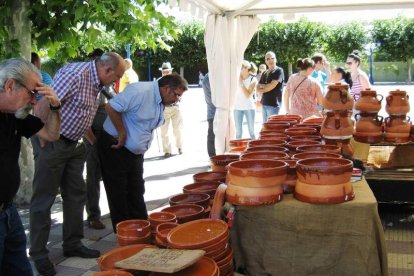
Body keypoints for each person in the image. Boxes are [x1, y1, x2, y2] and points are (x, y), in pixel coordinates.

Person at [29, 52, 126, 276]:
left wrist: (91, 143)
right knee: (44, 198)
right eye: (117, 76)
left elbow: (82, 112)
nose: (116, 81)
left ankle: (72, 243)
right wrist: (42, 135)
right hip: (53, 141)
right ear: (107, 70)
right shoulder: (75, 74)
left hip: (74, 143)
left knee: (76, 194)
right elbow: (44, 104)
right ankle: (38, 253)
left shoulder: (96, 81)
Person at [97, 73, 188, 232]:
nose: (177, 100)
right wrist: (122, 132)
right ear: (167, 89)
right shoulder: (139, 91)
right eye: (177, 95)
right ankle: (125, 234)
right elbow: (110, 106)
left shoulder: (161, 100)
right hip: (115, 146)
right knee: (118, 193)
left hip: (134, 152)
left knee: (136, 190)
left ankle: (141, 230)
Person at [0, 58, 61, 275]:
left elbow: (51, 135)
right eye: (32, 93)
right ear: (9, 85)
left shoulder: (16, 115)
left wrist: (55, 106)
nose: (35, 102)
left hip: (8, 212)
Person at [84, 50, 117, 230]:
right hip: (94, 136)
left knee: (111, 174)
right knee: (93, 177)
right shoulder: (88, 84)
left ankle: (114, 210)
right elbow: (82, 116)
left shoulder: (107, 84)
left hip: (108, 135)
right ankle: (93, 215)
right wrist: (92, 140)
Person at [158, 62, 183, 157]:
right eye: (164, 72)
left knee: (177, 129)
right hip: (164, 109)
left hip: (175, 108)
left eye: (167, 71)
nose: (165, 73)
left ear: (171, 71)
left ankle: (180, 146)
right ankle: (167, 150)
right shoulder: (158, 82)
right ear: (161, 72)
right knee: (164, 131)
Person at [257, 51, 284, 123]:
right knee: (265, 128)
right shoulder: (265, 72)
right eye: (268, 59)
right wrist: (266, 87)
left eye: (272, 58)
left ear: (276, 60)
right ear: (265, 61)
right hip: (264, 103)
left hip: (274, 105)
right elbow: (258, 87)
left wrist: (263, 87)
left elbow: (271, 86)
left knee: (272, 129)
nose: (270, 60)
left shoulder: (279, 70)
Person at [234, 60, 258, 139]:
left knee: (251, 132)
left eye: (241, 68)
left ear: (246, 68)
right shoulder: (235, 79)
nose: (239, 69)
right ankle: (237, 150)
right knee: (238, 133)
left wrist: (241, 83)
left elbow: (248, 95)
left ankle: (255, 149)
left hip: (249, 108)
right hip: (237, 108)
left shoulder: (253, 79)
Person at [202, 73, 216, 157]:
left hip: (212, 113)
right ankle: (213, 159)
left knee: (212, 137)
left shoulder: (208, 77)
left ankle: (212, 158)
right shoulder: (209, 78)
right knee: (212, 137)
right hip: (213, 113)